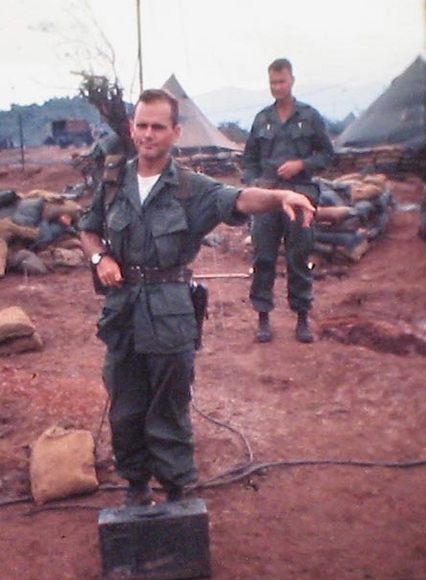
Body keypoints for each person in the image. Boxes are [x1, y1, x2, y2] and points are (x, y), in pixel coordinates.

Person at [78, 88, 315, 506]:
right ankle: (135, 488)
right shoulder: (113, 181)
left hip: (170, 312)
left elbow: (239, 198)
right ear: (132, 129)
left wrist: (279, 196)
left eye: (158, 126)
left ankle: (175, 491)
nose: (149, 134)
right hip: (122, 310)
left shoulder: (191, 188)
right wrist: (100, 258)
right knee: (126, 407)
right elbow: (88, 227)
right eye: (142, 125)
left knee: (169, 409)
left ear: (175, 132)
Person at [242, 58, 334, 343]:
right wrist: (256, 184)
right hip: (268, 197)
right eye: (272, 83)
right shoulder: (261, 119)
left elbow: (327, 155)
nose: (277, 87)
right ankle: (263, 318)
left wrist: (301, 165)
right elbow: (249, 160)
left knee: (298, 256)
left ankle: (302, 318)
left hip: (300, 195)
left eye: (281, 81)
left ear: (292, 80)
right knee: (264, 256)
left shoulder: (309, 116)